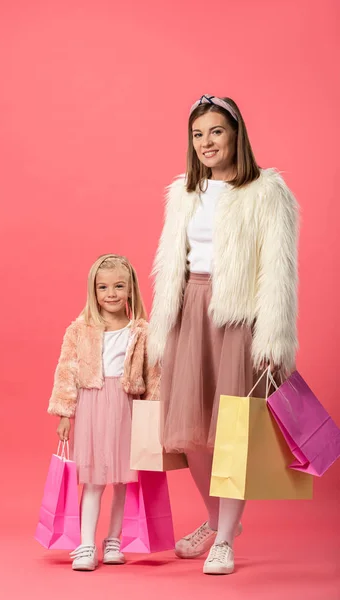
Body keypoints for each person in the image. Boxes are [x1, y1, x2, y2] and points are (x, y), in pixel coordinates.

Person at [148, 94, 299, 575]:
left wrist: (272, 337)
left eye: (216, 131)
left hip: (238, 317)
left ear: (236, 135)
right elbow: (173, 264)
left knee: (233, 430)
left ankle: (225, 541)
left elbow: (279, 271)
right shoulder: (184, 193)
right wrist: (162, 326)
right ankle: (219, 522)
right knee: (189, 431)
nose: (206, 142)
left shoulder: (267, 191)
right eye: (198, 134)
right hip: (189, 309)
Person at [48, 254, 158, 571]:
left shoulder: (141, 331)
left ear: (130, 289)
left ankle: (113, 540)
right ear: (93, 291)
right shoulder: (80, 330)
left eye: (118, 286)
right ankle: (85, 544)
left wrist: (153, 413)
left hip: (127, 406)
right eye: (103, 287)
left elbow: (154, 374)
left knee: (123, 479)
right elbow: (66, 371)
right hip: (92, 404)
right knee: (94, 479)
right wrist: (64, 413)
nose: (110, 293)